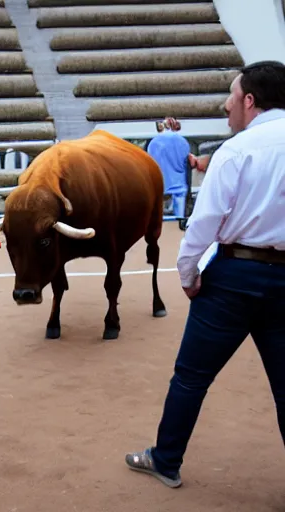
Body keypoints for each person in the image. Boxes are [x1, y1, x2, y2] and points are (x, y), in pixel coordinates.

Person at [125, 60, 285, 488]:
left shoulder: (237, 150)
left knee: (191, 377)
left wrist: (188, 273)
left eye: (232, 98)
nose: (226, 107)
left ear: (249, 101)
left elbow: (204, 223)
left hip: (233, 277)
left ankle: (166, 459)